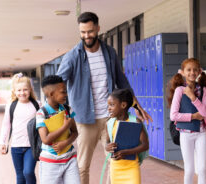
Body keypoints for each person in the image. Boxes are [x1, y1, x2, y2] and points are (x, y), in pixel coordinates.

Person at [56, 11, 152, 184]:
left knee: (114, 160)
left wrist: (138, 107)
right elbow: (58, 84)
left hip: (110, 120)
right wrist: (60, 111)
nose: (87, 36)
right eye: (83, 32)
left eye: (90, 31)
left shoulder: (109, 53)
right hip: (85, 120)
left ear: (98, 28)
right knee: (82, 165)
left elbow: (122, 81)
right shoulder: (72, 56)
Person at [167, 58, 206, 184]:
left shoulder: (203, 90)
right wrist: (193, 116)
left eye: (195, 70)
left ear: (199, 71)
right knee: (190, 169)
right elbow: (173, 115)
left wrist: (192, 97)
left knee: (202, 169)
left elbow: (205, 112)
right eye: (189, 70)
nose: (192, 72)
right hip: (185, 134)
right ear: (183, 72)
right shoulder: (179, 90)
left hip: (201, 133)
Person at [36, 75, 80, 184]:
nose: (66, 94)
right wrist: (65, 127)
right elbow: (45, 139)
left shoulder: (68, 109)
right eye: (63, 92)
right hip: (50, 162)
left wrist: (66, 143)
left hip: (70, 159)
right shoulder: (41, 113)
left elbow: (75, 132)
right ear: (51, 94)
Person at [0, 73, 38, 184]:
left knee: (28, 172)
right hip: (16, 146)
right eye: (19, 90)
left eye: (25, 89)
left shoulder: (37, 105)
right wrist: (2, 142)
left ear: (30, 89)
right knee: (20, 176)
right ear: (14, 91)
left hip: (31, 146)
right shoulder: (11, 105)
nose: (22, 93)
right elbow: (6, 125)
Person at [105, 89, 149, 184]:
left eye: (112, 105)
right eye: (108, 105)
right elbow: (107, 141)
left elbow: (145, 145)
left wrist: (127, 152)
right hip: (115, 168)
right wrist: (107, 146)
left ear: (123, 105)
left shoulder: (135, 122)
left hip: (131, 168)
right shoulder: (109, 123)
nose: (108, 108)